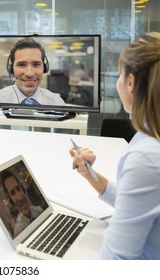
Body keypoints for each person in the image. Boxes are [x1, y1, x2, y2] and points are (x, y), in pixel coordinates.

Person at [69, 32, 160, 260]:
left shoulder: (146, 154)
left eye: (120, 74)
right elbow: (141, 203)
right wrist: (91, 176)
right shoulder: (149, 136)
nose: (117, 82)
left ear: (130, 82)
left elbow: (116, 261)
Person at [0, 38, 65, 105]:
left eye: (36, 65)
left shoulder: (56, 102)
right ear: (11, 69)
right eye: (21, 65)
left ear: (44, 68)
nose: (29, 73)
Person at [1, 171, 44, 237]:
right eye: (12, 193)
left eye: (18, 188)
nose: (20, 197)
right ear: (11, 200)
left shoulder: (39, 211)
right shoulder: (19, 231)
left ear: (23, 189)